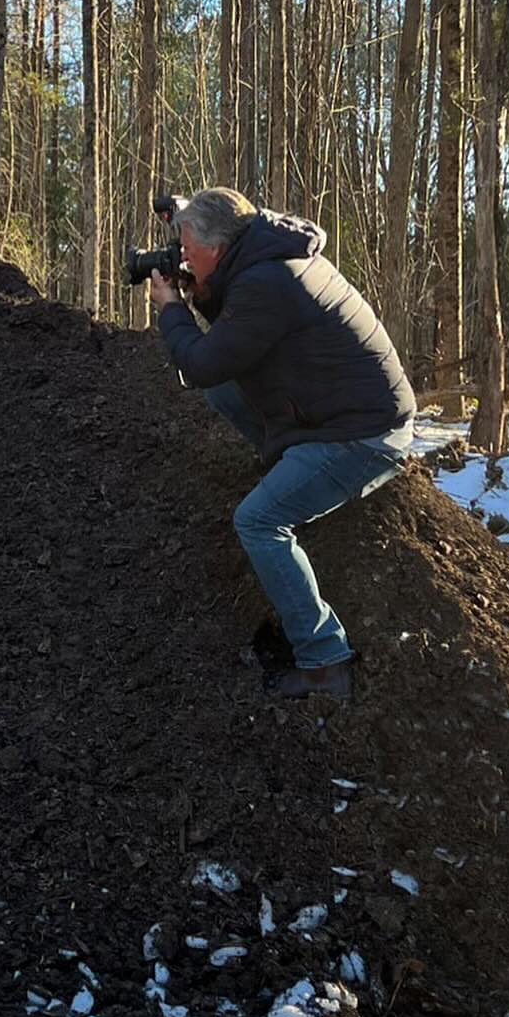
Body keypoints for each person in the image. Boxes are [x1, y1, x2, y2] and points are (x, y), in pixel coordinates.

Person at [148, 186, 415, 700]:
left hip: (367, 436)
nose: (180, 256)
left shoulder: (268, 281)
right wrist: (199, 291)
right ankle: (289, 476)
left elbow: (199, 363)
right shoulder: (263, 254)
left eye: (185, 247)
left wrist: (171, 308)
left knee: (257, 520)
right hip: (337, 414)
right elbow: (230, 350)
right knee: (226, 390)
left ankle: (324, 660)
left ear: (217, 247)